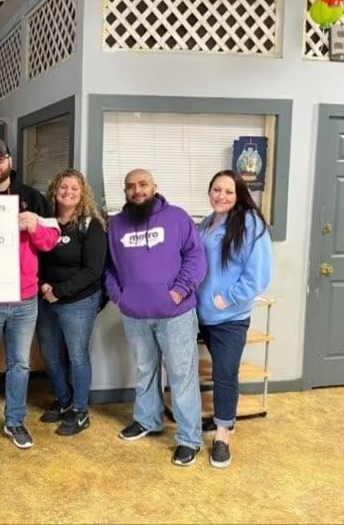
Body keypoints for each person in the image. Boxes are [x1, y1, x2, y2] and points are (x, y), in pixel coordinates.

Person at [0, 136, 60, 454]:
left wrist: (35, 227)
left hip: (24, 298)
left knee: (19, 364)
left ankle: (15, 421)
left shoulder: (32, 197)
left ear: (9, 161)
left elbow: (51, 241)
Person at [104, 168, 206, 466]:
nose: (137, 190)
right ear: (125, 192)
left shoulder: (177, 217)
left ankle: (189, 438)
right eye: (131, 186)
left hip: (175, 314)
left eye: (143, 184)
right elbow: (107, 268)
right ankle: (148, 420)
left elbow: (196, 256)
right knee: (144, 369)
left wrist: (179, 291)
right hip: (135, 314)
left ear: (154, 187)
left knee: (181, 375)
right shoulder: (116, 225)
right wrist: (119, 297)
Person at [196, 170, 272, 468]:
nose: (221, 196)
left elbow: (259, 275)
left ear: (239, 194)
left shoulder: (251, 224)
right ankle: (221, 419)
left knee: (224, 374)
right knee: (210, 372)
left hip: (230, 316)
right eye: (216, 190)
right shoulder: (206, 222)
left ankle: (222, 435)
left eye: (229, 191)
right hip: (201, 314)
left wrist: (226, 298)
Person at [36, 169, 107, 436]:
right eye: (63, 187)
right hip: (45, 298)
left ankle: (80, 411)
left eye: (74, 189)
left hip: (78, 301)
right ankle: (64, 400)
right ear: (55, 190)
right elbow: (34, 257)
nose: (68, 192)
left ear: (82, 194)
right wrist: (44, 285)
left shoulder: (91, 225)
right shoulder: (45, 223)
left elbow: (93, 270)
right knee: (50, 354)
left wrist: (60, 291)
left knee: (77, 356)